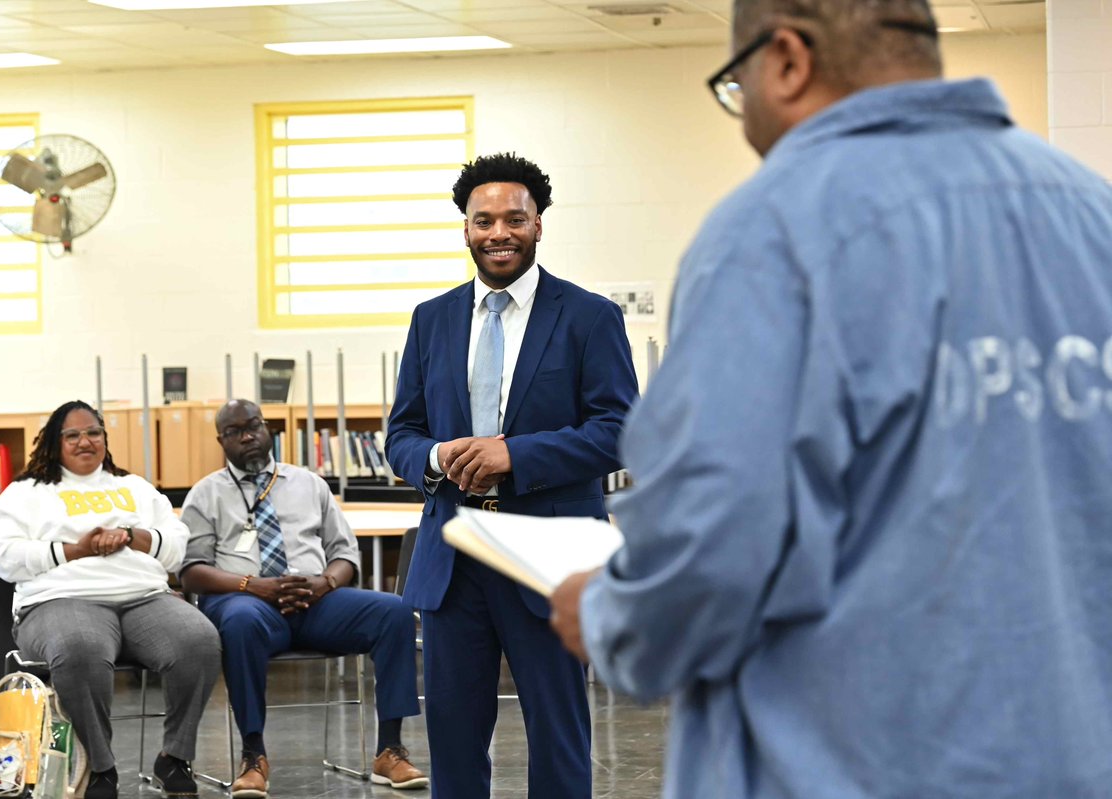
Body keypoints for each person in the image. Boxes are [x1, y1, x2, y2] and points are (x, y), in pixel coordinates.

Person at [549, 1, 1112, 797]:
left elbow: (711, 543)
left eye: (734, 88)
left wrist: (609, 616)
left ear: (785, 60)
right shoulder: (1091, 214)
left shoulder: (775, 231)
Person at [385, 152, 638, 799]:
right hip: (454, 555)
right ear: (465, 228)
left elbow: (619, 430)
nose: (499, 232)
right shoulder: (431, 319)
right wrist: (441, 457)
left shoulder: (588, 317)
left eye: (514, 219)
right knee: (454, 734)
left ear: (539, 225)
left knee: (558, 733)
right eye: (484, 220)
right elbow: (402, 437)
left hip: (552, 556)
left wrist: (514, 455)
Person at [178, 399, 426, 796]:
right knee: (239, 622)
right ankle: (253, 755)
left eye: (254, 426)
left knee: (394, 612)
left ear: (267, 429)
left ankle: (389, 751)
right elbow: (190, 571)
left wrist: (325, 583)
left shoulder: (308, 483)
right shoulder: (205, 494)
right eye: (236, 431)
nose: (248, 437)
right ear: (221, 440)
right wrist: (252, 585)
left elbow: (345, 554)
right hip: (249, 603)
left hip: (316, 601)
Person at [0, 400, 220, 799]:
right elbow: (4, 558)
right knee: (80, 648)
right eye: (72, 435)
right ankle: (101, 767)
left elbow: (178, 546)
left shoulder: (134, 487)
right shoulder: (24, 493)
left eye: (93, 432)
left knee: (199, 640)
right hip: (60, 599)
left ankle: (175, 756)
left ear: (104, 439)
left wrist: (132, 536)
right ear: (54, 443)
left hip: (144, 597)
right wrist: (74, 550)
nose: (84, 442)